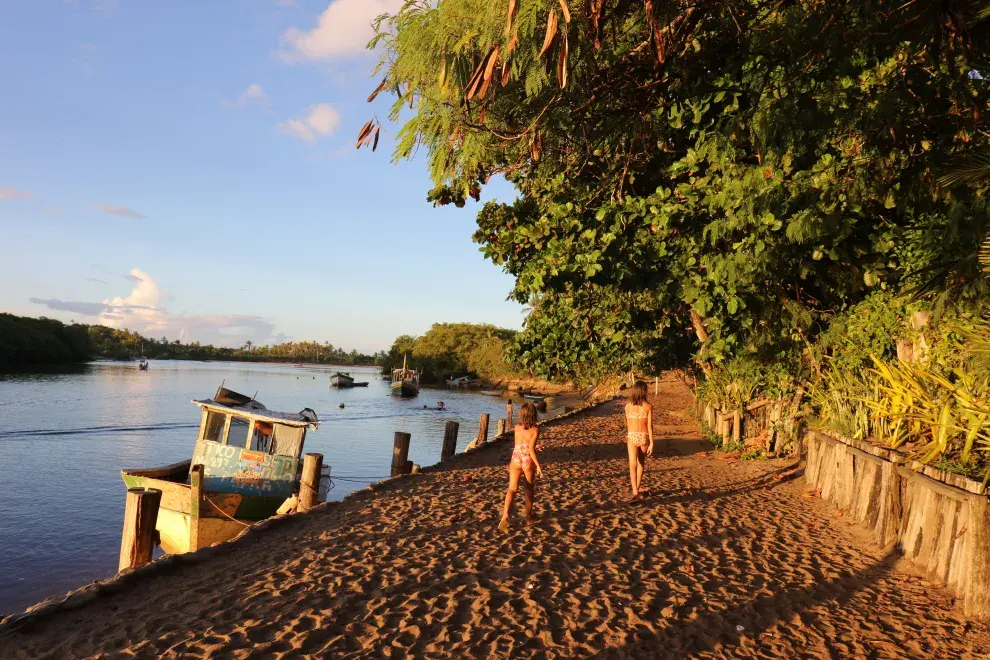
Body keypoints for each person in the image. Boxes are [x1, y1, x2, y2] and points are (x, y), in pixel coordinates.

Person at [498, 402, 543, 531]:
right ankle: (528, 516)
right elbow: (531, 450)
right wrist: (539, 466)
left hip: (516, 458)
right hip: (527, 460)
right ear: (534, 414)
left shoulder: (517, 427)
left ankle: (505, 515)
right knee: (529, 488)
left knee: (512, 488)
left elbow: (520, 444)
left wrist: (534, 447)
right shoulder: (535, 429)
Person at [624, 380, 654, 499]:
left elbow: (627, 423)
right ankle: (637, 486)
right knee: (641, 463)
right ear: (644, 392)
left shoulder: (627, 407)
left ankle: (635, 490)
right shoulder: (648, 407)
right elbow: (650, 426)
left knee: (632, 464)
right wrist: (652, 443)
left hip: (632, 436)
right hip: (644, 436)